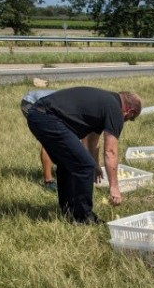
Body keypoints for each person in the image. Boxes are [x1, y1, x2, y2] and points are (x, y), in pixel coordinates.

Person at [26, 87, 142, 225]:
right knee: (84, 166)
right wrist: (114, 187)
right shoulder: (116, 110)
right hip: (47, 117)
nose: (123, 122)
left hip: (38, 114)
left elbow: (92, 139)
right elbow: (110, 151)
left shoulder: (107, 102)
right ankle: (84, 218)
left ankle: (68, 210)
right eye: (128, 119)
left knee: (68, 163)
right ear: (129, 111)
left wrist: (96, 165)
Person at [21, 89, 57, 191]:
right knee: (49, 140)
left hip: (46, 104)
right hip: (31, 102)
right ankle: (48, 181)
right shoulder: (72, 110)